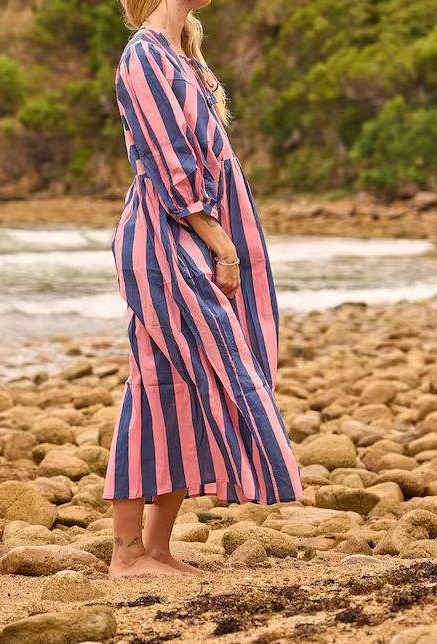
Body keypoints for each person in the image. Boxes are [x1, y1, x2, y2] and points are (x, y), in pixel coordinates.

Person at [105, 0, 303, 578]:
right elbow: (170, 161)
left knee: (177, 385)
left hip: (192, 233)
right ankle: (125, 553)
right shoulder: (144, 56)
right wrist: (220, 242)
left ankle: (154, 549)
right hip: (169, 239)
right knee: (169, 379)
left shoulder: (180, 55)